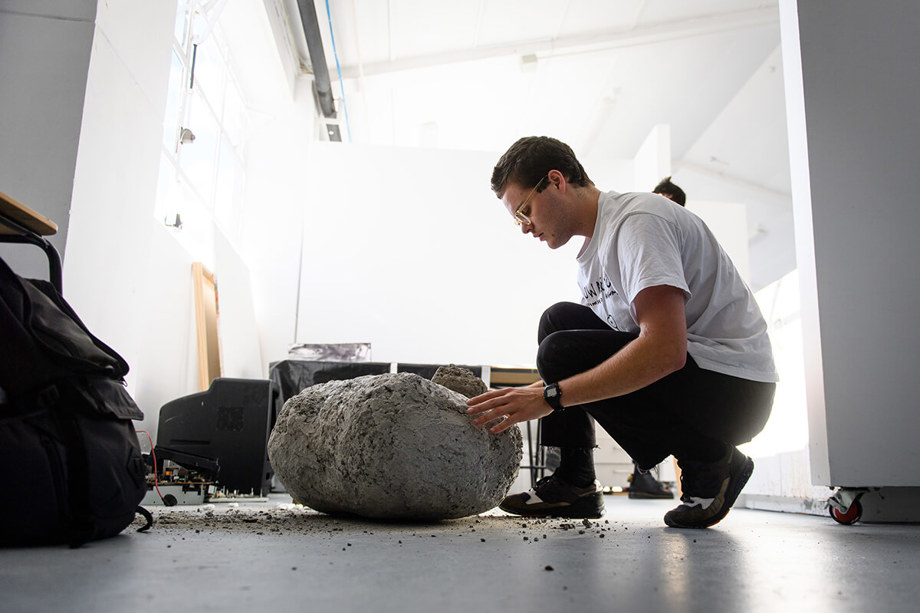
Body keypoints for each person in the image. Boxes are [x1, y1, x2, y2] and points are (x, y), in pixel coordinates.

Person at [467, 136, 777, 529]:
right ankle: (575, 482)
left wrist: (551, 396)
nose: (526, 227)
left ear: (556, 181)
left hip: (737, 389)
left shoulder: (637, 222)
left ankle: (710, 459)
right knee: (557, 322)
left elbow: (665, 350)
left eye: (525, 210)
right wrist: (546, 394)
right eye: (518, 219)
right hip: (701, 380)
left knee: (559, 350)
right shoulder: (590, 260)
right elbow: (619, 357)